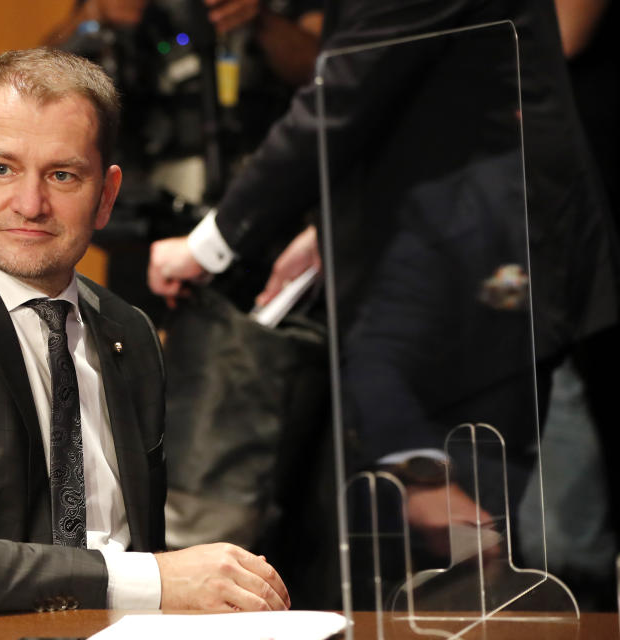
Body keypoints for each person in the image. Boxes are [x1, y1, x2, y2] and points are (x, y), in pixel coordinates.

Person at [0, 48, 289, 619]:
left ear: (106, 196)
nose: (30, 204)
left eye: (62, 175)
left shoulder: (128, 332)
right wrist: (148, 578)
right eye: (2, 169)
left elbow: (141, 554)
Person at [148, 0, 618, 560]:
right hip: (455, 238)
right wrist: (329, 230)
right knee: (425, 525)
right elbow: (402, 85)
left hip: (485, 262)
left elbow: (345, 95)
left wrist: (211, 243)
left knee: (459, 537)